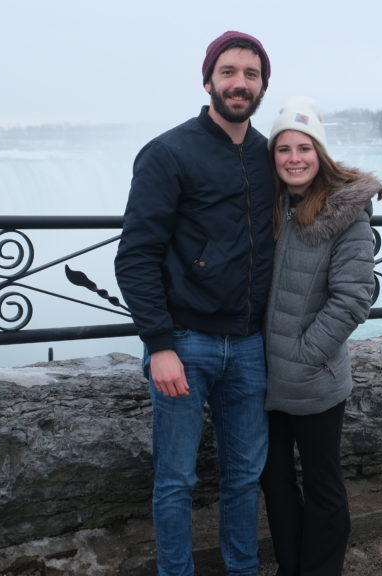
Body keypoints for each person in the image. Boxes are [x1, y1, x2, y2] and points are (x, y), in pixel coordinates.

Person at [113, 31, 275, 576]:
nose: (239, 83)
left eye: (250, 75)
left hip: (251, 345)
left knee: (244, 476)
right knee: (176, 480)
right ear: (208, 80)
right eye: (229, 72)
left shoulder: (266, 153)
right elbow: (135, 256)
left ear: (262, 85)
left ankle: (242, 569)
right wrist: (158, 344)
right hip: (185, 342)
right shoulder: (168, 152)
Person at [261, 97, 382, 576]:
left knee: (322, 484)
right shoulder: (269, 206)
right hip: (264, 376)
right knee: (273, 481)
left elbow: (354, 298)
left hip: (313, 376)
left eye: (304, 148)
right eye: (284, 148)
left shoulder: (344, 212)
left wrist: (304, 354)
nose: (294, 158)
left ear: (321, 154)